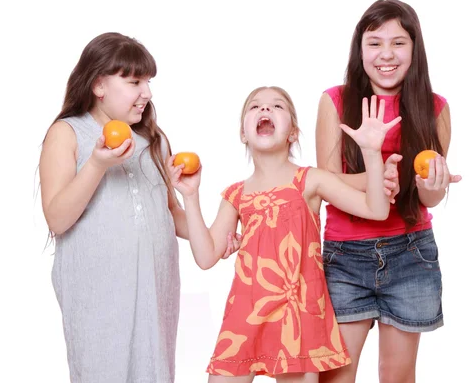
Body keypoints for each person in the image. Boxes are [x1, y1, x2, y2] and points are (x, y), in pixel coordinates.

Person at [169, 86, 402, 383]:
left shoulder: (310, 180)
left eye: (277, 106)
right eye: (255, 107)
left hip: (299, 315)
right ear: (243, 133)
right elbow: (205, 256)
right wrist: (190, 196)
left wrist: (371, 152)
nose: (265, 110)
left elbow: (376, 209)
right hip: (246, 314)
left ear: (293, 132)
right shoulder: (236, 194)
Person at [39, 32, 221, 383]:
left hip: (156, 288)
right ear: (98, 85)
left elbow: (169, 215)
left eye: (148, 82)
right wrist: (96, 164)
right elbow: (58, 219)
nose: (147, 93)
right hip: (98, 293)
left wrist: (213, 234)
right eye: (135, 81)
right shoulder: (69, 133)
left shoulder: (154, 139)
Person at [315, 0, 462, 383]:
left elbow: (428, 199)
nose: (386, 54)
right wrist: (374, 178)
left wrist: (434, 186)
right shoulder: (335, 101)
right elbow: (326, 181)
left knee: (396, 375)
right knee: (336, 375)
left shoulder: (435, 109)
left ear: (415, 49)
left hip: (411, 253)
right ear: (359, 49)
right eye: (374, 42)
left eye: (398, 43)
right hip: (345, 258)